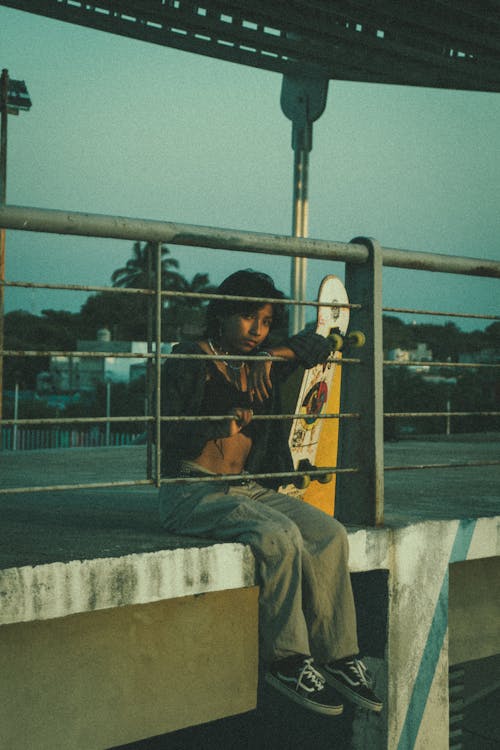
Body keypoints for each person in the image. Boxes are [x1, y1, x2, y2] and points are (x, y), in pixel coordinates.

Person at [159, 269, 382, 716]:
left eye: (264, 320)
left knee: (329, 534)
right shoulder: (191, 358)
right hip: (192, 490)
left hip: (246, 489)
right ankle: (287, 660)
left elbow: (317, 342)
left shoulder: (261, 360)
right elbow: (162, 433)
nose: (256, 329)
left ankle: (338, 656)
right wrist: (215, 424)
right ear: (220, 315)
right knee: (279, 537)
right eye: (246, 318)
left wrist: (270, 355)